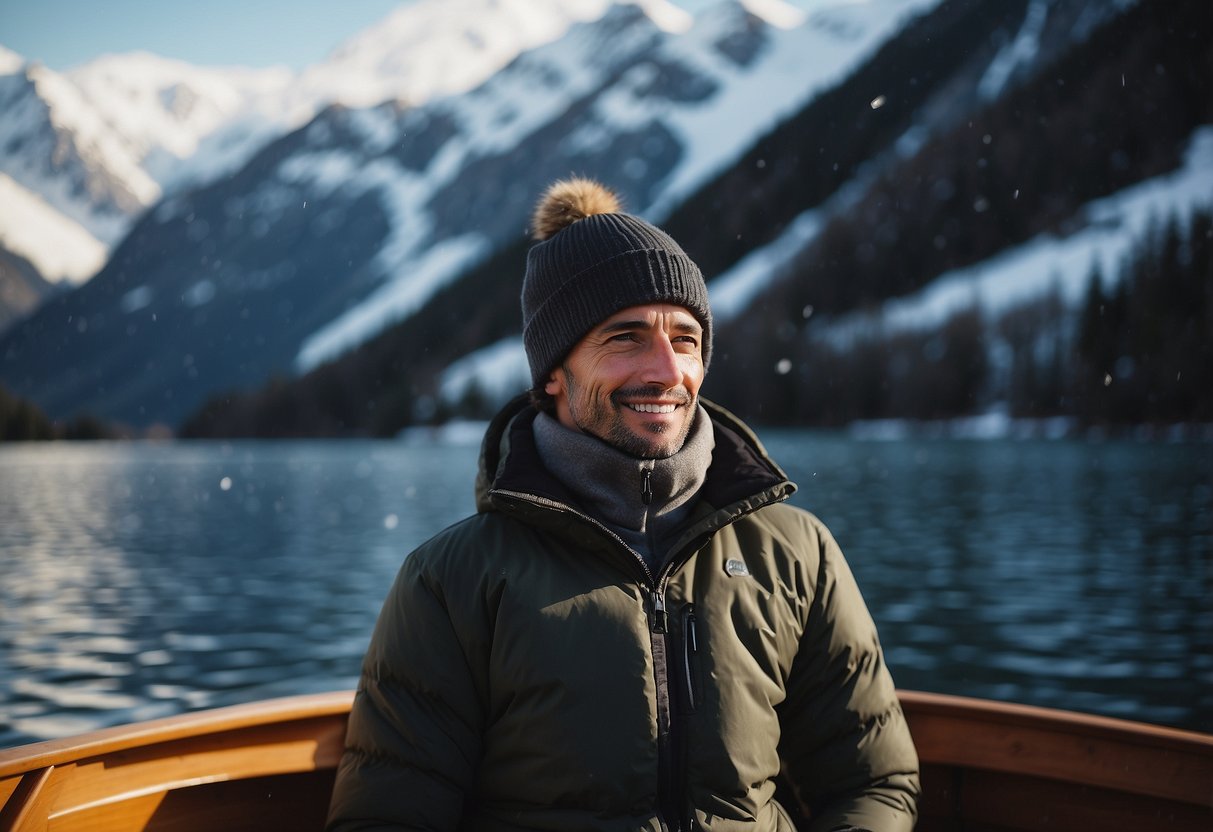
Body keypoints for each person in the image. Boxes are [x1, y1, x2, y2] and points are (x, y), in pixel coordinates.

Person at [326, 178, 920, 831]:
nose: (666, 370)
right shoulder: (452, 581)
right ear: (554, 371)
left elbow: (873, 784)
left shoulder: (795, 553)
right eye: (625, 337)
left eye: (686, 339)